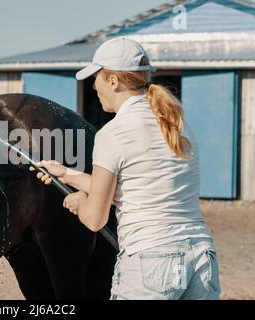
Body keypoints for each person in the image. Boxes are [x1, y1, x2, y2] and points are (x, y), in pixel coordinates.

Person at [30, 37, 221, 300]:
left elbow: (95, 220)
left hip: (151, 262)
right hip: (201, 259)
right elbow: (144, 190)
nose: (94, 86)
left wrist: (80, 201)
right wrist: (66, 174)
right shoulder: (178, 127)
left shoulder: (114, 133)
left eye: (96, 77)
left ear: (112, 81)